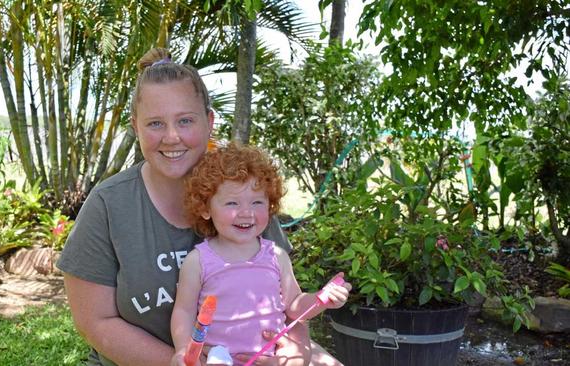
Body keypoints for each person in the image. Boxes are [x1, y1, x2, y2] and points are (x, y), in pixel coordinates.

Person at [57, 47, 344, 366]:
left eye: (185, 120)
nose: (171, 137)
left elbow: (283, 297)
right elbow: (95, 323)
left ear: (209, 121)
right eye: (155, 123)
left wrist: (297, 352)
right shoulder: (109, 205)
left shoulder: (245, 192)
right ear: (135, 126)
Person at [171, 143, 352, 366]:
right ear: (206, 209)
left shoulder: (276, 256)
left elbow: (294, 305)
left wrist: (321, 299)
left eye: (257, 202)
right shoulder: (198, 261)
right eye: (231, 203)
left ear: (270, 205)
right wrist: (183, 350)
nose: (246, 212)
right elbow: (184, 311)